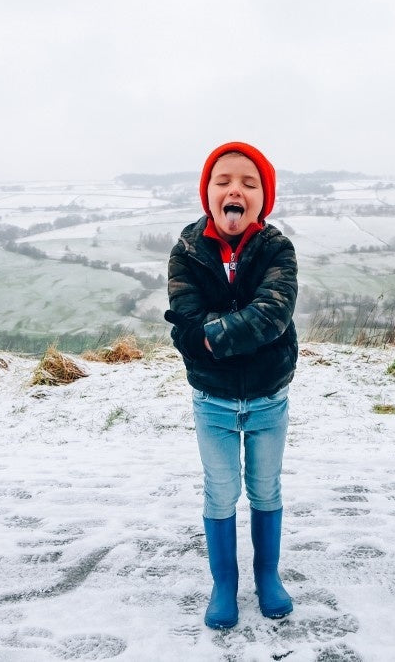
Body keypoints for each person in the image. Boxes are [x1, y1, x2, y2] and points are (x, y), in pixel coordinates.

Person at [165, 141, 298, 630]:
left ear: (263, 198)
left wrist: (210, 334)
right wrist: (239, 332)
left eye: (248, 182)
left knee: (265, 489)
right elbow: (185, 322)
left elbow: (273, 314)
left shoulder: (278, 249)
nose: (234, 190)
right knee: (221, 493)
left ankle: (267, 576)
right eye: (223, 182)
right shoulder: (187, 253)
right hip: (212, 401)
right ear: (208, 194)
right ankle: (225, 583)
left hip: (269, 397)